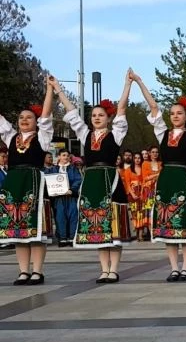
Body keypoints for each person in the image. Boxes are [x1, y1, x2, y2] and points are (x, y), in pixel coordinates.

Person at [53, 71, 133, 282]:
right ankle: (103, 269)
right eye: (94, 115)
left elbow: (122, 109)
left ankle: (114, 269)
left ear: (108, 118)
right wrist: (58, 89)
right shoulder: (85, 134)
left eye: (100, 115)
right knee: (97, 227)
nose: (96, 118)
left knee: (112, 225)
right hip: (91, 181)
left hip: (109, 180)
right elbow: (71, 112)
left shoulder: (116, 133)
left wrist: (127, 85)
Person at [141, 69, 186, 282]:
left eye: (179, 113)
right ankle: (173, 268)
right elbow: (153, 108)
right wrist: (139, 82)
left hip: (184, 179)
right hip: (167, 180)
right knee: (168, 227)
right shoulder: (162, 134)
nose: (175, 116)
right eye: (173, 113)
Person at [0, 79, 55, 285]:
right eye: (21, 117)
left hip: (34, 184)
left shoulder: (42, 138)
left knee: (36, 230)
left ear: (35, 120)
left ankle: (37, 271)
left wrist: (49, 90)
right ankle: (23, 271)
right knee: (18, 230)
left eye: (29, 117)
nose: (24, 120)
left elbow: (47, 116)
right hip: (14, 185)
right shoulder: (10, 137)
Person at [45, 149, 82, 247]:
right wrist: (52, 190)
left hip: (71, 197)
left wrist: (72, 189)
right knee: (60, 217)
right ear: (59, 157)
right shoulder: (53, 169)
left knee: (72, 217)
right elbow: (48, 181)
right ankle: (62, 238)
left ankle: (71, 238)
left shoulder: (73, 168)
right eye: (63, 155)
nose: (66, 157)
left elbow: (78, 180)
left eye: (67, 155)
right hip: (59, 198)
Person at [141, 145, 161, 240]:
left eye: (156, 152)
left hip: (159, 190)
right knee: (149, 213)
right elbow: (145, 178)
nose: (155, 154)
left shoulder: (161, 163)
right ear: (149, 153)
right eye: (153, 152)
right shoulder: (145, 164)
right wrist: (157, 175)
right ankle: (151, 234)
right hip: (149, 191)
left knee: (159, 211)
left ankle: (159, 232)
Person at [127, 152, 146, 242]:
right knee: (134, 215)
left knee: (141, 214)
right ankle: (135, 234)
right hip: (132, 195)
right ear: (133, 159)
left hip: (142, 194)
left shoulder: (143, 169)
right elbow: (127, 184)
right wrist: (133, 194)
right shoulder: (128, 170)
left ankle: (141, 234)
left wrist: (142, 193)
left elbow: (145, 181)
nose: (137, 159)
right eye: (136, 158)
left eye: (139, 158)